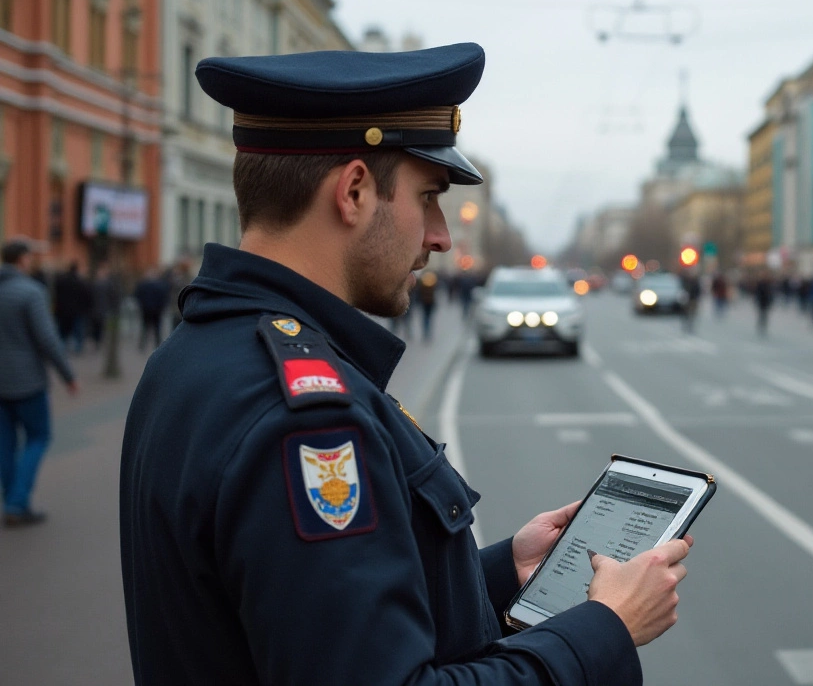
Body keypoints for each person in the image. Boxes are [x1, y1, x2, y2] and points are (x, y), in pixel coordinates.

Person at [120, 45, 691, 686]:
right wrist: (602, 630)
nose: (441, 234)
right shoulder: (305, 420)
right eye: (428, 198)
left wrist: (502, 572)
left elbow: (309, 611)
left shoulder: (196, 352)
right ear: (355, 191)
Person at [0, 239, 78, 527]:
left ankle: (12, 499)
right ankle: (17, 502)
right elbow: (47, 339)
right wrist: (68, 376)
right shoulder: (30, 292)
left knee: (5, 442)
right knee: (38, 437)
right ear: (22, 260)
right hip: (27, 382)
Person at [53, 261, 90, 354]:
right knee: (77, 331)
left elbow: (56, 295)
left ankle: (62, 348)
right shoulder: (80, 281)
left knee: (62, 331)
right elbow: (86, 296)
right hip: (77, 311)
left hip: (62, 311)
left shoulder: (61, 280)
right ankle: (78, 348)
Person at [133, 268, 169, 351]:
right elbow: (164, 298)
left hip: (146, 309)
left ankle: (142, 346)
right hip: (157, 310)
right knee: (157, 329)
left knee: (145, 328)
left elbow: (136, 295)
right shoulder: (161, 285)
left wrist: (142, 305)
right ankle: (158, 346)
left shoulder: (142, 284)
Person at [417, 271, 438, 341]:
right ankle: (427, 333)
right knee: (428, 318)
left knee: (425, 318)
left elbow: (419, 293)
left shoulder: (422, 284)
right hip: (429, 303)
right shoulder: (432, 283)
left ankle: (426, 332)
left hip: (425, 303)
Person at [754, 272, 774, 337]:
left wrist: (771, 301)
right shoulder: (760, 284)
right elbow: (757, 292)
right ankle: (761, 323)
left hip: (766, 302)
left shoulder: (769, 285)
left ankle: (763, 324)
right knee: (761, 313)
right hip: (761, 301)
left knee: (765, 314)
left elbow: (771, 294)